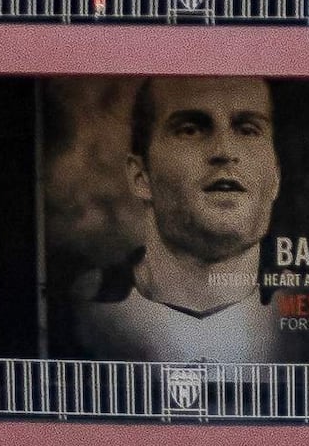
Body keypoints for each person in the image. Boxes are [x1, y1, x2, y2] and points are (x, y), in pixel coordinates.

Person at [67, 75, 295, 367]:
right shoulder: (79, 310)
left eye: (248, 130)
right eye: (191, 130)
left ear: (275, 178)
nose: (224, 152)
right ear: (141, 176)